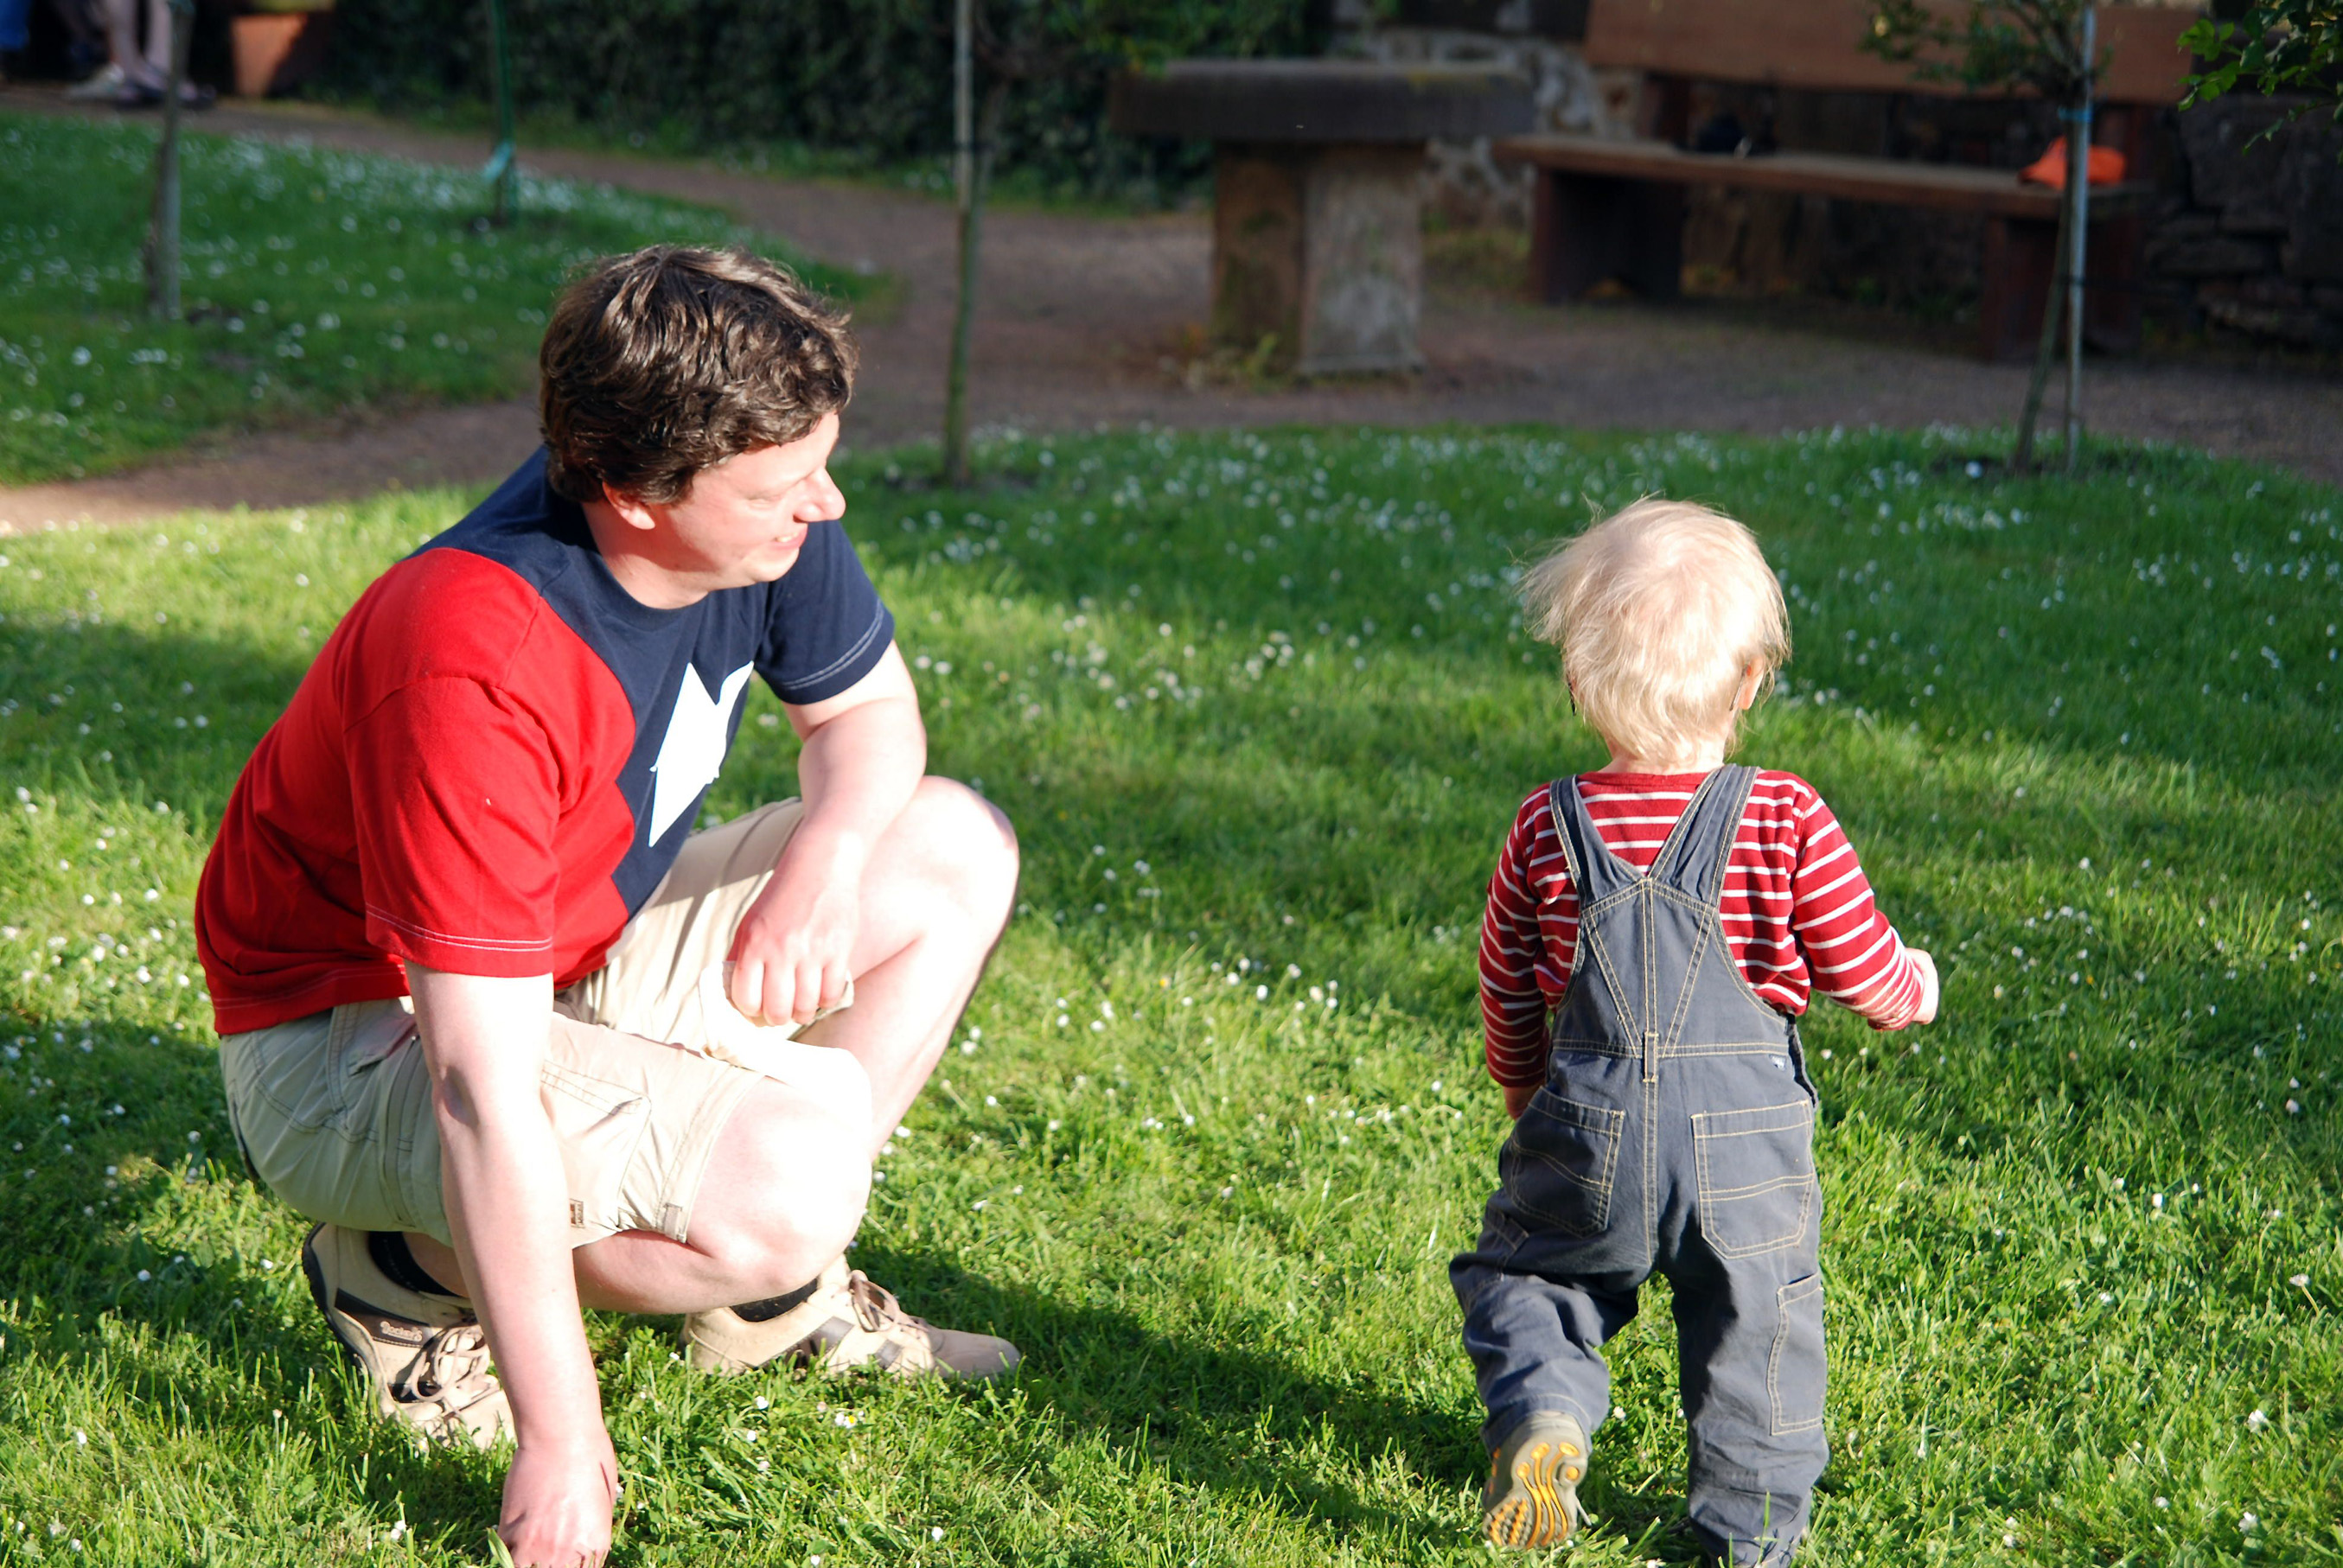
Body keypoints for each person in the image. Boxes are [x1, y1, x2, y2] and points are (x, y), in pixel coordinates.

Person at [195, 245, 1022, 1568]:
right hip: (349, 1041)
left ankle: (760, 1296)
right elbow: (478, 1087)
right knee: (797, 1179)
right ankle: (402, 1277)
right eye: (785, 486)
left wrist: (824, 861)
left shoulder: (758, 490)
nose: (826, 502)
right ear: (637, 495)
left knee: (948, 849)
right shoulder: (471, 657)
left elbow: (869, 716)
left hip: (557, 951)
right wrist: (561, 1437)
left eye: (819, 464)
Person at [1451, 499, 1939, 1565]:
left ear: (1577, 679)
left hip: (1584, 1131)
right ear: (1750, 679)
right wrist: (1917, 986)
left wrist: (1525, 1094)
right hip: (1744, 1156)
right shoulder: (1785, 815)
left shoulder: (1544, 824)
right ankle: (1743, 1530)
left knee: (1534, 1274)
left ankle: (1545, 1411)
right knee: (1754, 1325)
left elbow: (1505, 985)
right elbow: (1863, 970)